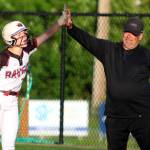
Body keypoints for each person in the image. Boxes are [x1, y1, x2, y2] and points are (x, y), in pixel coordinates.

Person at [65, 10, 150, 150]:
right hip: (115, 116)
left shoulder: (146, 55)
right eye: (127, 32)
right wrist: (71, 28)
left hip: (141, 115)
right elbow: (88, 40)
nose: (128, 36)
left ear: (140, 36)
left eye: (133, 34)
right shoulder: (109, 50)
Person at [0, 11, 67, 150]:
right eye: (19, 34)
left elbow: (47, 34)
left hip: (12, 103)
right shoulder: (3, 58)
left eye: (24, 33)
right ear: (9, 38)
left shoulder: (27, 49)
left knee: (9, 145)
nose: (24, 36)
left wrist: (60, 21)